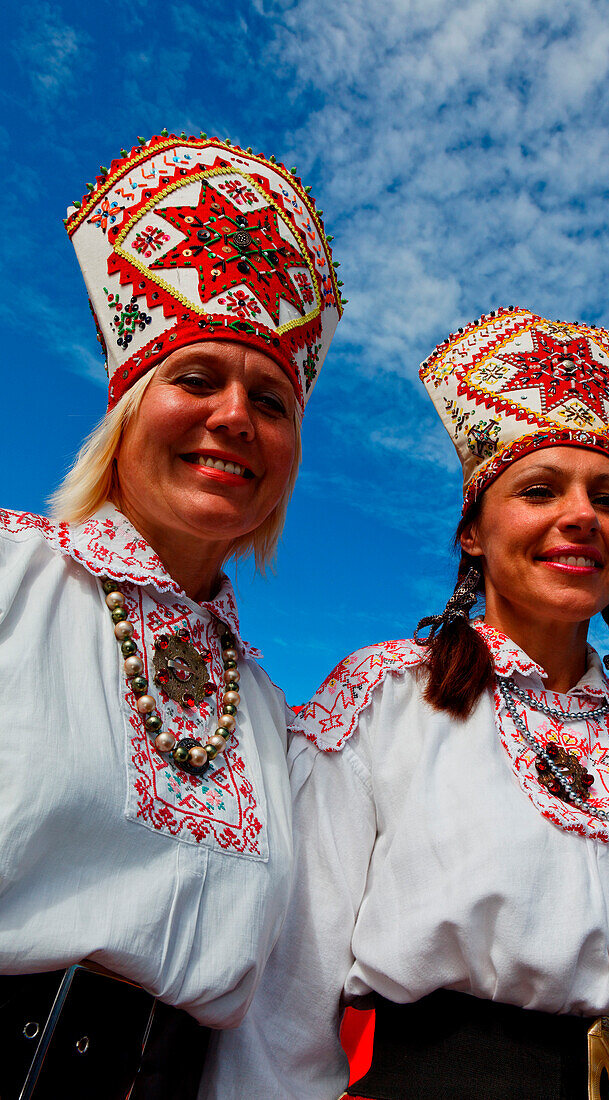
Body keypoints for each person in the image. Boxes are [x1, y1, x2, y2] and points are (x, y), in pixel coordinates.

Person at [202, 308, 609, 1099]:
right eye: (540, 490)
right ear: (473, 533)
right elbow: (285, 1003)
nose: (581, 515)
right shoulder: (384, 699)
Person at [0, 130, 343, 1099]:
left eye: (271, 399)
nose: (235, 415)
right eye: (196, 379)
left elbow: (274, 1016)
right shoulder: (11, 580)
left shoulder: (279, 724)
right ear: (127, 407)